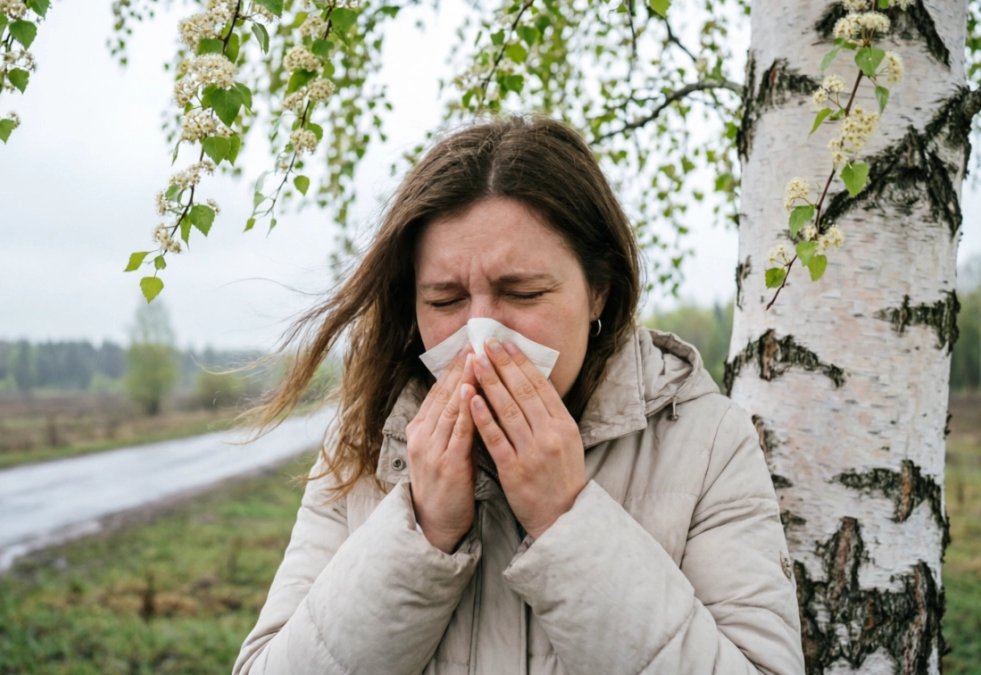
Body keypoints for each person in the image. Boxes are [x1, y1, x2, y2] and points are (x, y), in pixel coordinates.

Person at [233, 116, 805, 674]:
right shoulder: (364, 445)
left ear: (599, 292)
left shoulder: (706, 443)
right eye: (445, 301)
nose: (480, 339)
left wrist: (566, 521)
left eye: (523, 293)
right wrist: (422, 529)